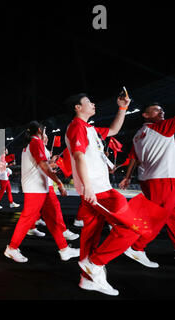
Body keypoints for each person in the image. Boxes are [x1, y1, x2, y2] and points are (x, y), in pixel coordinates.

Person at [64, 92, 140, 296]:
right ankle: (95, 264)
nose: (94, 103)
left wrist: (122, 108)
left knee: (91, 234)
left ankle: (87, 280)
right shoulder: (77, 127)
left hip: (95, 188)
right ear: (77, 108)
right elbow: (79, 156)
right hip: (98, 190)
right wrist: (88, 187)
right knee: (132, 228)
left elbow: (114, 129)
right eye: (89, 101)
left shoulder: (90, 129)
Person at [4, 121, 80, 264]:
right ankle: (12, 247)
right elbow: (44, 166)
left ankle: (64, 249)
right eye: (44, 130)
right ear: (39, 130)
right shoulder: (36, 142)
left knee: (51, 219)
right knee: (27, 218)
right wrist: (59, 182)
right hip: (35, 188)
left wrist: (52, 165)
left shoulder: (30, 144)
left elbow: (41, 165)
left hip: (39, 188)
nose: (46, 133)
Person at [119, 103, 175, 264]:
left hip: (148, 180)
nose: (162, 111)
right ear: (145, 115)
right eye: (157, 109)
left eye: (162, 109)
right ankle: (137, 247)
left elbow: (133, 159)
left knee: (173, 216)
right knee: (157, 217)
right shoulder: (162, 127)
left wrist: (127, 177)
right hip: (164, 179)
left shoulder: (138, 135)